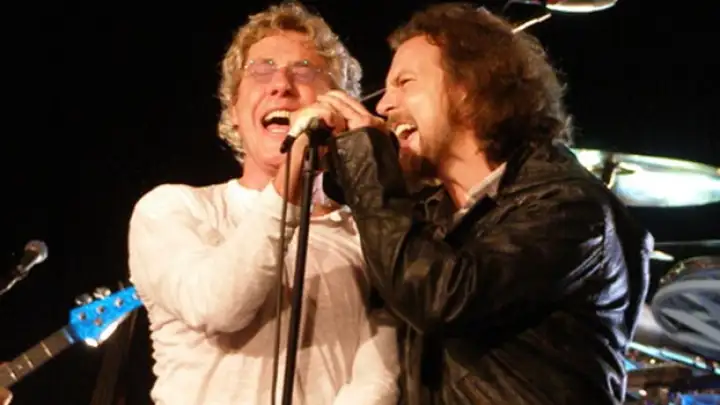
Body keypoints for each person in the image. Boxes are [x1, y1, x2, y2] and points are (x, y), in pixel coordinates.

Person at [286, 3, 652, 404]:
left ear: (471, 88)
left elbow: (441, 296)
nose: (383, 106)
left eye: (404, 82)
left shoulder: (570, 208)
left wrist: (367, 159)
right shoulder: (433, 214)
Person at [127, 3, 399, 405]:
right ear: (234, 111)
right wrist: (291, 180)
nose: (281, 85)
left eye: (305, 70)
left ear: (339, 106)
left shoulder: (368, 233)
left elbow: (379, 377)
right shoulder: (173, 209)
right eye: (261, 71)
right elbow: (219, 304)